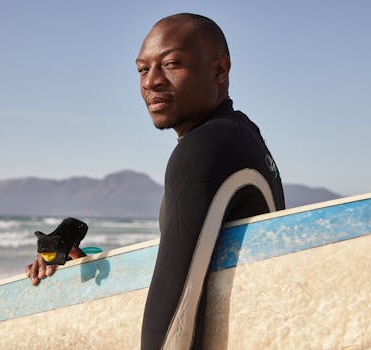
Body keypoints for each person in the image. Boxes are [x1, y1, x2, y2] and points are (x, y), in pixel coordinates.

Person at [27, 13, 285, 350]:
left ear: (220, 70)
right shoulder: (242, 136)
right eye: (142, 69)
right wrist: (90, 264)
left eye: (171, 64)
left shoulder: (204, 148)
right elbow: (207, 264)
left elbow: (176, 313)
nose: (152, 82)